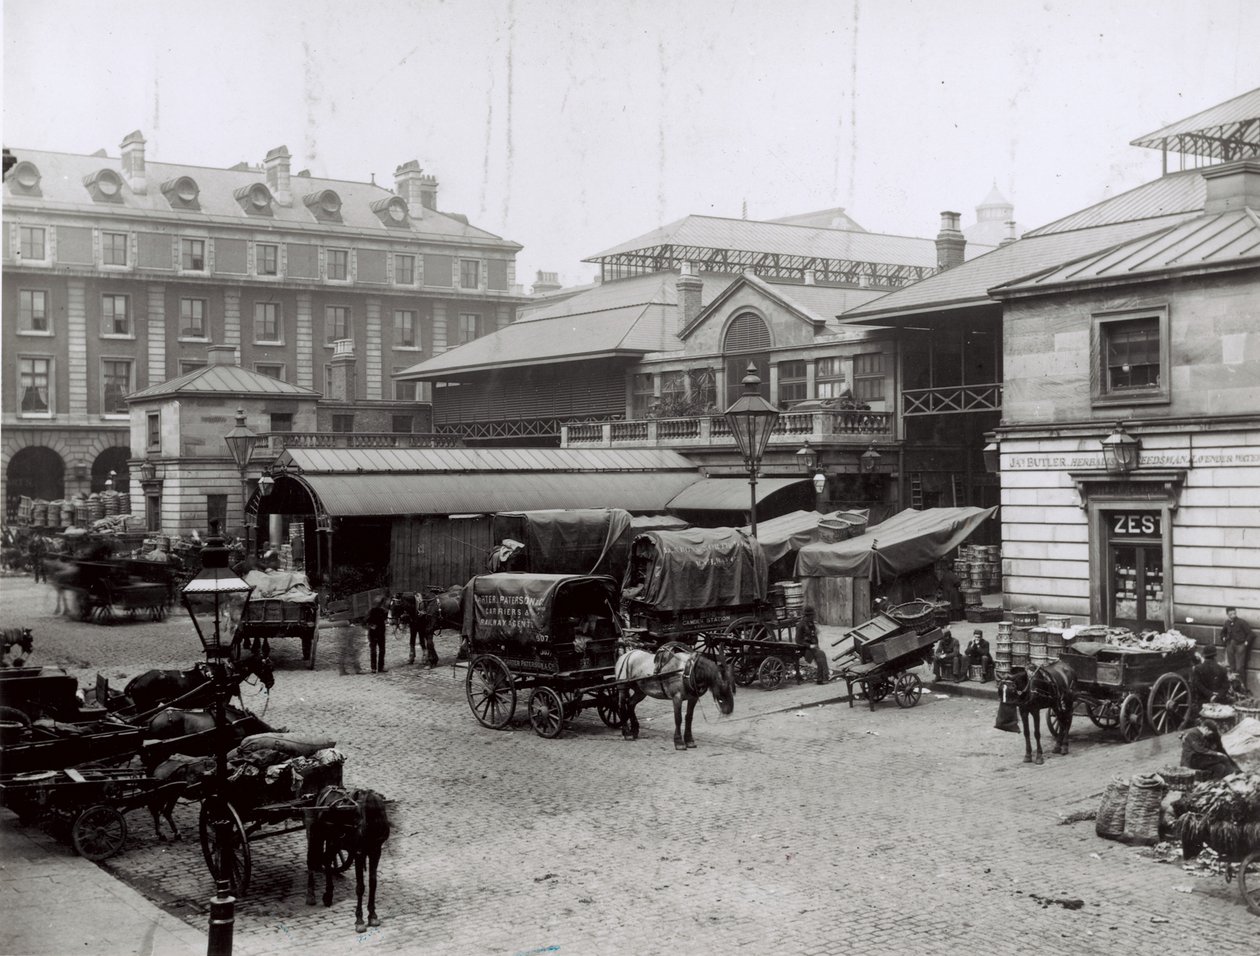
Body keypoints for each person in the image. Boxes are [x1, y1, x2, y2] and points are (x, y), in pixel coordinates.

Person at [1190, 644, 1232, 719]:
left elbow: (1197, 684)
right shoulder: (1222, 669)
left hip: (1203, 703)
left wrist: (1210, 694)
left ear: (1204, 655)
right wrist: (1217, 695)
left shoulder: (1198, 668)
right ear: (1215, 655)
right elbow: (1226, 686)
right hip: (1219, 702)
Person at [1221, 607, 1254, 694]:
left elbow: (1251, 634)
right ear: (1227, 614)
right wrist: (1224, 638)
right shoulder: (1227, 623)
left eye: (1234, 613)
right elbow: (1222, 632)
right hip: (1230, 646)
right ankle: (1235, 690)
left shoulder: (1241, 622)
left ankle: (1243, 689)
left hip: (1240, 646)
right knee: (1232, 668)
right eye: (1231, 614)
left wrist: (1246, 643)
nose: (1233, 615)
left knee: (1240, 668)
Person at [794, 605, 829, 685]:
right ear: (808, 616)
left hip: (812, 647)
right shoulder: (801, 625)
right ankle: (822, 678)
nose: (814, 617)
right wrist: (809, 646)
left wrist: (816, 643)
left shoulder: (810, 623)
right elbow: (798, 640)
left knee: (820, 654)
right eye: (812, 615)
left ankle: (822, 678)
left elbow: (813, 636)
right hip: (804, 649)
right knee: (820, 655)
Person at [366, 596, 389, 674]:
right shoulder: (373, 611)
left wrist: (371, 626)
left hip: (378, 633)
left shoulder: (381, 611)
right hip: (376, 634)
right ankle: (377, 668)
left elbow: (365, 621)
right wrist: (371, 626)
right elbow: (365, 622)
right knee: (377, 651)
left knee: (378, 650)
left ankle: (376, 668)